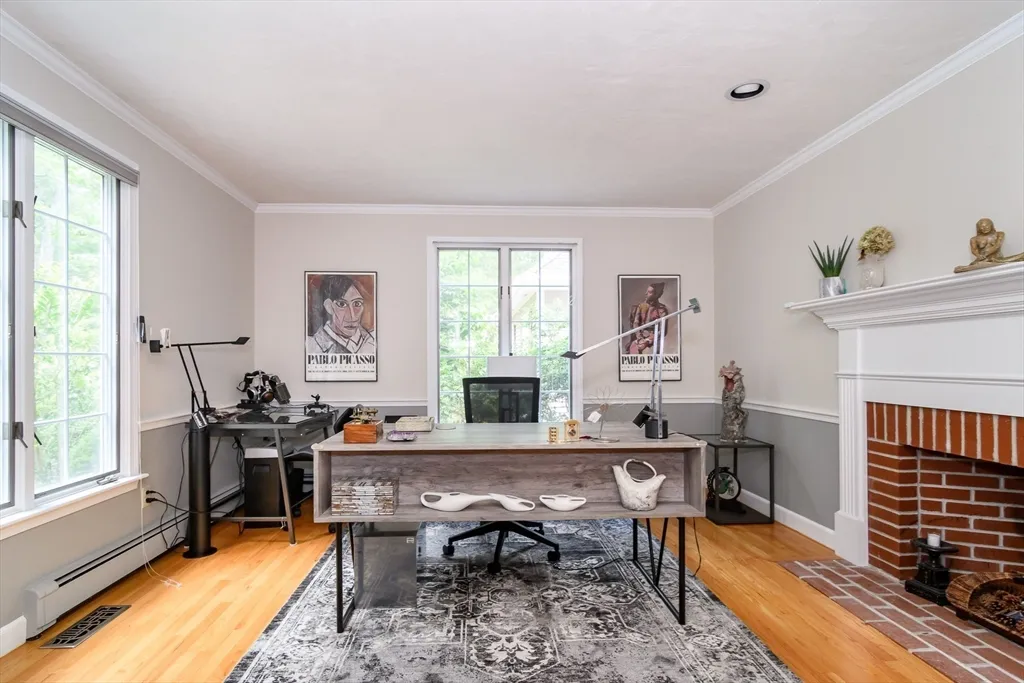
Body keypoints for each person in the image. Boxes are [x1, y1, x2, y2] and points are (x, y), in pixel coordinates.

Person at [305, 275, 376, 355]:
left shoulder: (372, 340)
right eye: (342, 304)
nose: (352, 316)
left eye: (357, 303)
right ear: (329, 307)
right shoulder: (313, 346)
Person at [625, 282, 669, 354]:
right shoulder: (641, 306)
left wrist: (648, 340)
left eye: (649, 292)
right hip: (640, 338)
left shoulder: (662, 310)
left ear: (656, 294)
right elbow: (636, 323)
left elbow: (663, 331)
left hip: (653, 340)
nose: (646, 293)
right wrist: (640, 338)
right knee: (633, 349)